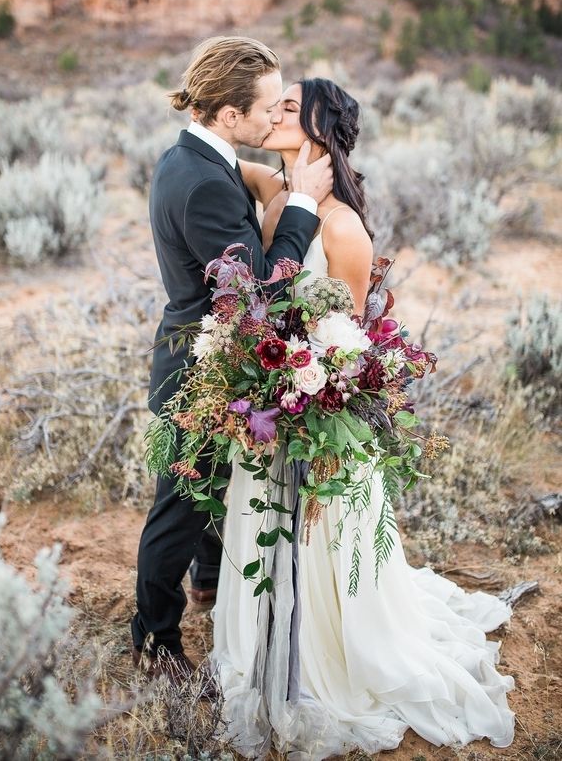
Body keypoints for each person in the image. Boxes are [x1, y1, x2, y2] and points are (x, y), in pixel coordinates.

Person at [212, 78, 515, 757]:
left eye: (289, 107)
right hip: (264, 406)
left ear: (321, 127)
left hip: (314, 413)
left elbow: (343, 346)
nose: (273, 114)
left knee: (320, 542)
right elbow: (215, 156)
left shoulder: (342, 228)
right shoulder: (273, 190)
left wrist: (307, 414)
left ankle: (328, 657)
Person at [131, 38, 334, 681]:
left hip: (196, 351)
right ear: (227, 114)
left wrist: (255, 178)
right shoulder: (202, 186)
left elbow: (225, 204)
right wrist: (299, 205)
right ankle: (155, 637)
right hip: (196, 367)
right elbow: (258, 295)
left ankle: (210, 579)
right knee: (182, 505)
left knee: (212, 486)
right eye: (268, 108)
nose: (277, 117)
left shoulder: (195, 160)